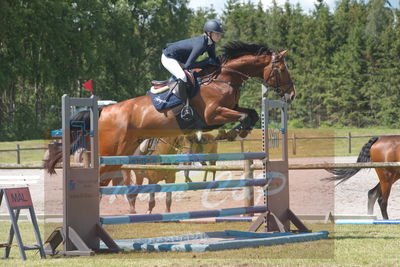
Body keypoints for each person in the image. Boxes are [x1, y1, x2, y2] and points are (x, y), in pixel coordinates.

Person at [161, 19, 224, 106]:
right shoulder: (201, 43)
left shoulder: (211, 44)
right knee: (182, 77)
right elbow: (188, 65)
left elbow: (213, 60)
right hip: (169, 57)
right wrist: (205, 62)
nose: (219, 36)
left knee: (194, 75)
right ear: (209, 33)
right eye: (217, 34)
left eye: (219, 34)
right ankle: (185, 105)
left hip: (180, 60)